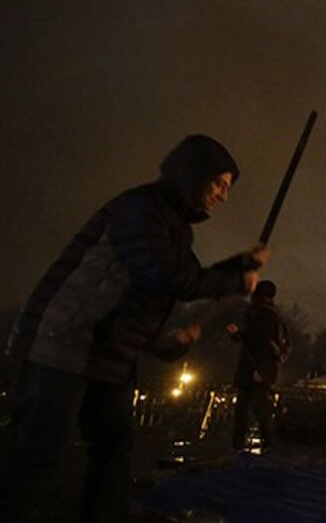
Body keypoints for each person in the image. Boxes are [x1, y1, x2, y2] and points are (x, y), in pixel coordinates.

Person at [1, 134, 266, 523]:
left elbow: (159, 289)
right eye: (219, 184)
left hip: (109, 353)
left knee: (113, 450)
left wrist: (165, 340)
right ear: (193, 176)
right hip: (64, 343)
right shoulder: (141, 209)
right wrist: (236, 278)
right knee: (37, 452)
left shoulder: (174, 227)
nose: (223, 197)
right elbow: (163, 275)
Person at [228, 279, 289, 453]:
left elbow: (256, 341)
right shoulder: (270, 314)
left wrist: (238, 334)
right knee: (257, 406)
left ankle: (243, 444)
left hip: (253, 367)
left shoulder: (259, 313)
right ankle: (265, 443)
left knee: (249, 407)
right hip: (261, 367)